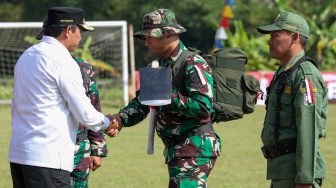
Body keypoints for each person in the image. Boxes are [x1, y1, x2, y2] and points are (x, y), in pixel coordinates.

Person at [109, 9, 221, 187]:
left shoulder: (192, 62)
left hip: (195, 146)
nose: (146, 42)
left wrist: (166, 96)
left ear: (169, 33)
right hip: (177, 150)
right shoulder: (157, 66)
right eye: (144, 37)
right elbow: (141, 104)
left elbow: (203, 107)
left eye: (150, 36)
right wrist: (120, 119)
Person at [9, 7, 118, 188]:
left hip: (20, 155)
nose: (80, 37)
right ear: (69, 30)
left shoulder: (26, 56)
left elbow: (15, 107)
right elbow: (85, 113)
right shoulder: (62, 60)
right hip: (48, 158)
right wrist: (108, 123)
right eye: (80, 31)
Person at [257, 11, 328, 188]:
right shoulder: (285, 72)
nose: (269, 41)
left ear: (294, 37)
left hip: (296, 173)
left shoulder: (305, 75)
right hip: (282, 169)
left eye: (275, 35)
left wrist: (304, 179)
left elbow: (308, 128)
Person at [71, 58, 108, 188]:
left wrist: (97, 149)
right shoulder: (39, 63)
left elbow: (94, 107)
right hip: (49, 149)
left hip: (79, 147)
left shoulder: (82, 66)